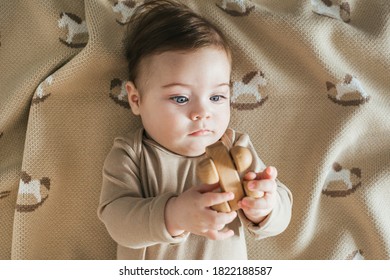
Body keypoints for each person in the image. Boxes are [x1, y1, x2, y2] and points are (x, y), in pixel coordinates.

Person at [98, 0, 292, 260]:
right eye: (180, 98)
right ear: (136, 99)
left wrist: (265, 207)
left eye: (217, 97)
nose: (203, 112)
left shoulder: (235, 149)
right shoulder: (131, 155)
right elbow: (116, 221)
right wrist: (174, 215)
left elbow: (281, 215)